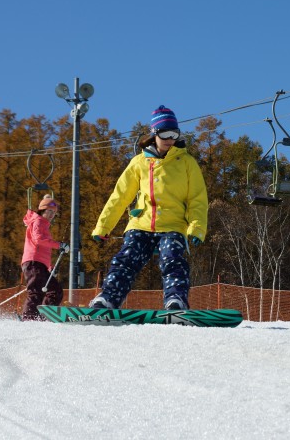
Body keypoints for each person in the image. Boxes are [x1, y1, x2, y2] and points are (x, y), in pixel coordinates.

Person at [89, 105, 208, 310]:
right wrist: (103, 227)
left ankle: (175, 300)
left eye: (174, 133)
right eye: (165, 133)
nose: (170, 139)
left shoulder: (186, 162)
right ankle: (108, 298)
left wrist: (196, 227)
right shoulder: (139, 162)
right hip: (141, 223)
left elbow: (197, 199)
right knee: (126, 259)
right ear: (154, 134)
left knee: (172, 260)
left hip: (172, 224)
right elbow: (120, 196)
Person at [21, 194, 69, 321]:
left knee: (55, 290)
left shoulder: (44, 224)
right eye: (49, 211)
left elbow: (44, 249)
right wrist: (59, 245)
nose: (52, 214)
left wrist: (49, 267)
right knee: (36, 291)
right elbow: (38, 240)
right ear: (42, 210)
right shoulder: (38, 221)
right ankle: (29, 319)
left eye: (54, 212)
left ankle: (45, 316)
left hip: (39, 263)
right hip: (33, 262)